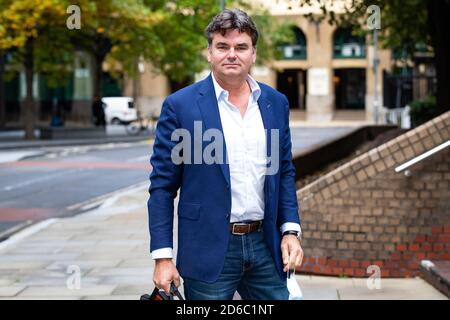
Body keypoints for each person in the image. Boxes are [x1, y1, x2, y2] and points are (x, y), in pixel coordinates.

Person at [148, 9, 303, 300]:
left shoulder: (275, 103)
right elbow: (162, 187)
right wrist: (163, 257)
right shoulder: (180, 106)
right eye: (222, 46)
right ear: (209, 52)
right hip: (207, 250)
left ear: (253, 54)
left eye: (241, 47)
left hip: (265, 246)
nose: (232, 54)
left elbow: (284, 171)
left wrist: (290, 231)